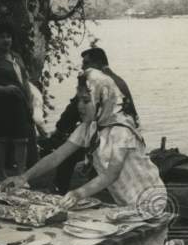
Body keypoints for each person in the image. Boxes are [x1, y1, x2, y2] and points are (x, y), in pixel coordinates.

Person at [3, 68, 166, 215]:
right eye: (78, 100)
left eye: (86, 101)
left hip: (150, 200)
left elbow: (111, 174)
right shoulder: (89, 128)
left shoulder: (122, 130)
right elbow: (56, 157)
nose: (80, 106)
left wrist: (78, 193)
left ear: (102, 100)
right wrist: (24, 177)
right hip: (126, 202)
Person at [49, 46, 140, 194]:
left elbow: (73, 110)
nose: (83, 68)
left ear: (97, 64)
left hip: (111, 134)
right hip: (123, 133)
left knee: (68, 155)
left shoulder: (96, 82)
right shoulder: (118, 80)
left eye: (86, 64)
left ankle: (59, 190)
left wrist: (59, 130)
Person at [0, 19, 33, 180]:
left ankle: (21, 176)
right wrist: (4, 89)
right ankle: (0, 176)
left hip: (19, 104)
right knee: (1, 141)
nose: (6, 40)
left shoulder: (16, 57)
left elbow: (24, 81)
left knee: (21, 141)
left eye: (8, 36)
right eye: (2, 37)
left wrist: (29, 101)